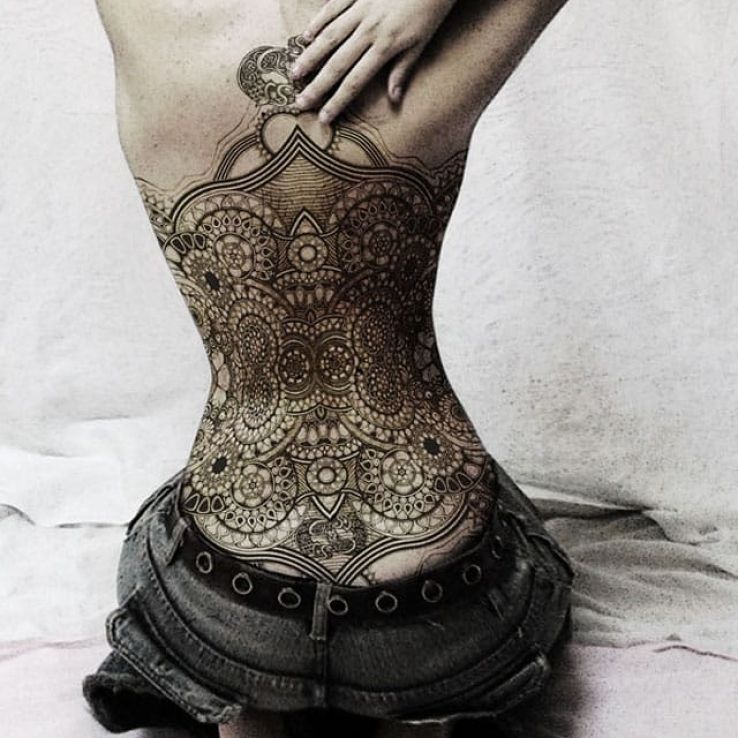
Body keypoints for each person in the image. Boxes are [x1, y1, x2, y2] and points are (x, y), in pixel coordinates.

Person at [81, 1, 574, 737]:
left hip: (232, 599)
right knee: (503, 517)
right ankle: (419, 709)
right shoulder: (418, 50)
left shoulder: (150, 20)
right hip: (434, 604)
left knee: (175, 522)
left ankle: (246, 701)